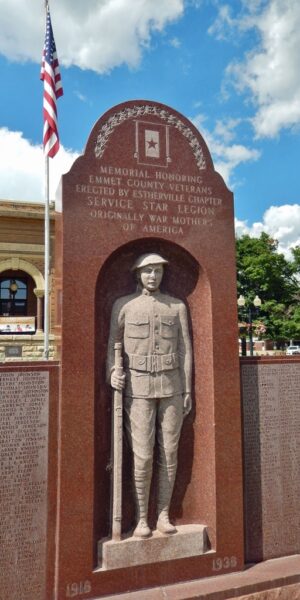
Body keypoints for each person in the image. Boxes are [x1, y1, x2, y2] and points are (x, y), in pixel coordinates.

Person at [107, 253, 192, 538]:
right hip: (138, 389)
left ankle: (164, 514)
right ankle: (142, 518)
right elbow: (113, 346)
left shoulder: (177, 306)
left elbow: (185, 350)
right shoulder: (124, 306)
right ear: (138, 275)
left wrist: (188, 389)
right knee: (142, 455)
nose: (153, 276)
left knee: (169, 453)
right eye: (148, 271)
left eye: (157, 271)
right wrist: (112, 373)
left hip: (172, 387)